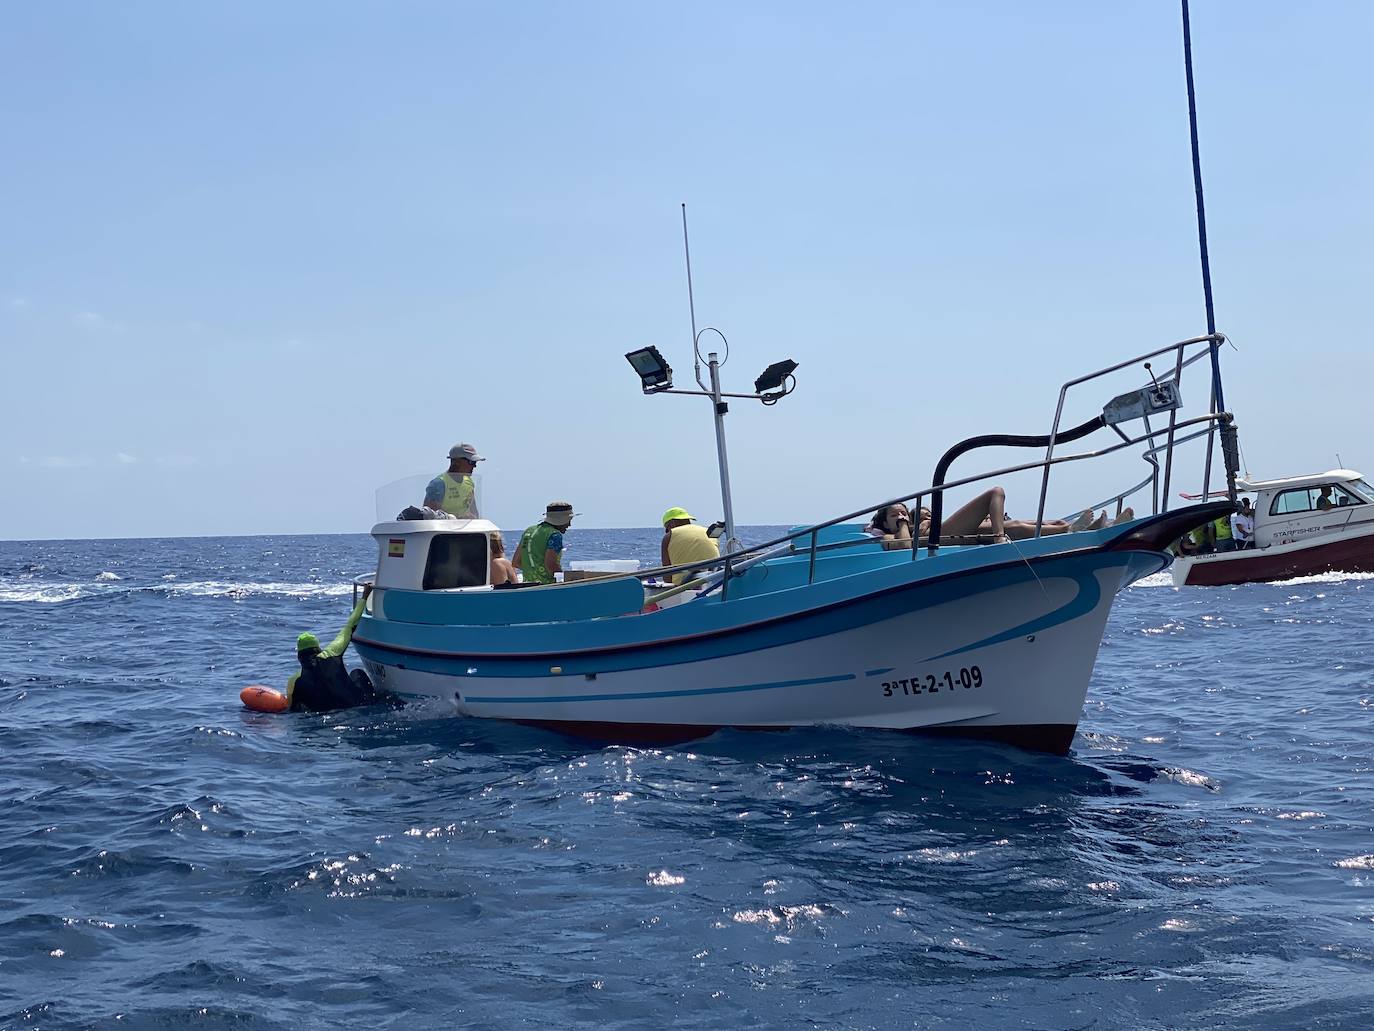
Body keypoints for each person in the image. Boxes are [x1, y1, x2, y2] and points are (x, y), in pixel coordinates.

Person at [288, 585, 377, 712]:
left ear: (299, 656)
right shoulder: (331, 653)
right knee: (357, 673)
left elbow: (291, 709)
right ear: (318, 648)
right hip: (355, 706)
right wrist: (364, 597)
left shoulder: (295, 681)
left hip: (323, 716)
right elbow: (350, 625)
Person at [513, 502, 576, 585]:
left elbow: (516, 562)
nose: (569, 524)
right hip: (547, 586)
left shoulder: (528, 531)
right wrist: (565, 580)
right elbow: (550, 564)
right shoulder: (554, 535)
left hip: (528, 585)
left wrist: (534, 570)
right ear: (561, 520)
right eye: (568, 521)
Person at [660, 507, 720, 584]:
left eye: (666, 529)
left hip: (685, 586)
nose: (667, 532)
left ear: (672, 524)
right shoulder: (708, 531)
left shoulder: (669, 536)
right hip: (714, 579)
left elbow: (667, 578)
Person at [425, 443, 484, 518]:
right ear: (457, 461)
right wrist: (459, 518)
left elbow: (474, 513)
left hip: (466, 529)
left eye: (475, 462)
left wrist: (472, 517)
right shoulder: (439, 483)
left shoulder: (469, 482)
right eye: (471, 462)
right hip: (444, 529)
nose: (474, 466)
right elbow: (429, 516)